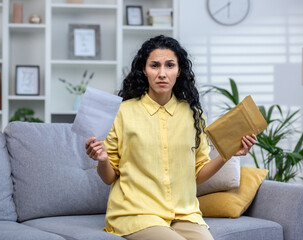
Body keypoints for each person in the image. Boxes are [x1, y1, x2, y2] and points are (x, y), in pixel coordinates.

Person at [85, 35, 257, 240]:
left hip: (185, 214)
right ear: (143, 69)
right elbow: (108, 178)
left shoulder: (192, 114)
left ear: (179, 70)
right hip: (137, 214)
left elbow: (198, 173)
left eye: (170, 65)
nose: (162, 74)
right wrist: (103, 159)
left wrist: (228, 153)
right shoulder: (122, 112)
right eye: (154, 66)